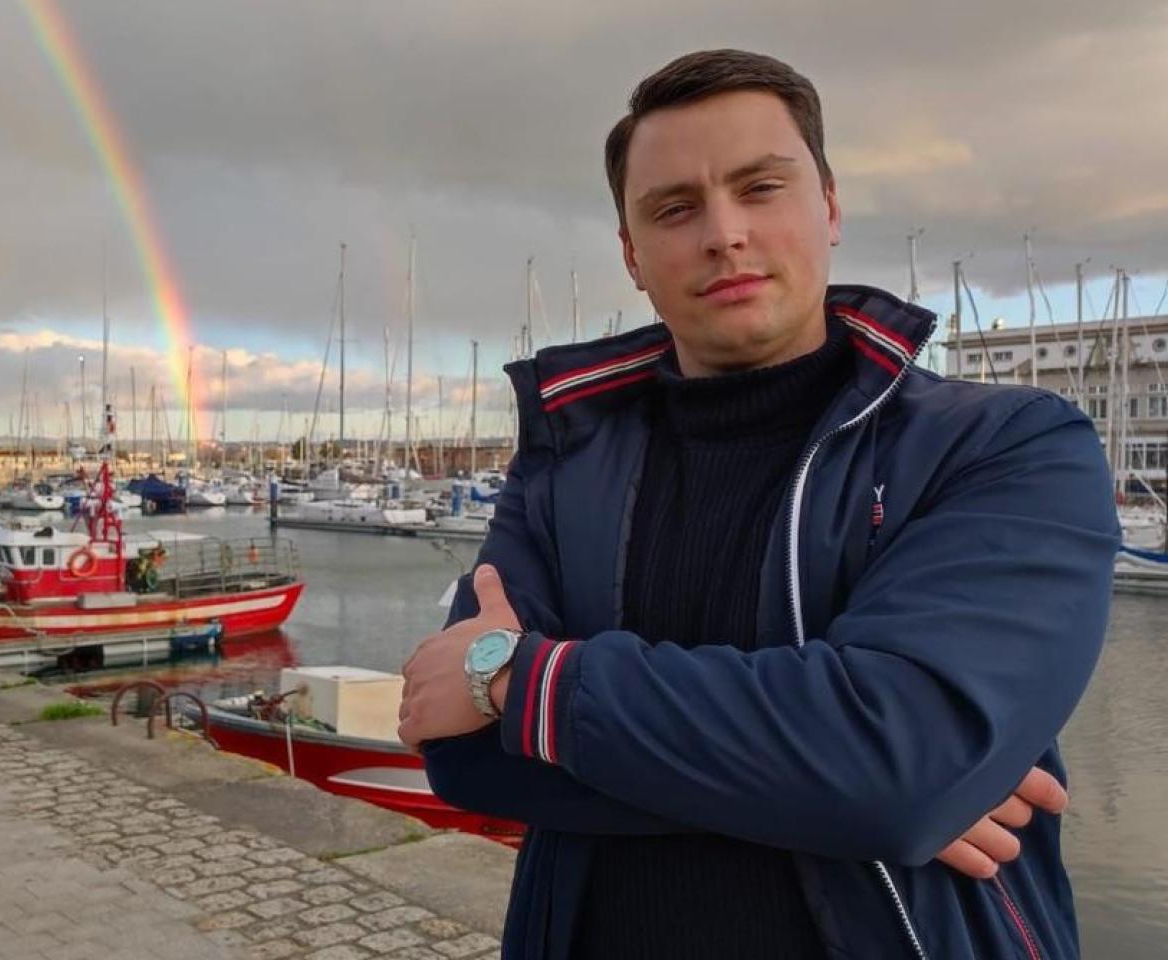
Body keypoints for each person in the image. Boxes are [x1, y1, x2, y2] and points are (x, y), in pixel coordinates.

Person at [398, 50, 1117, 960]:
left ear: (829, 207)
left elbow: (904, 767)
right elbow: (464, 757)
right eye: (675, 208)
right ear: (632, 254)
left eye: (760, 188)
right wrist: (843, 794)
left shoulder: (1006, 444)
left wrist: (521, 682)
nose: (724, 234)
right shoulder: (563, 463)